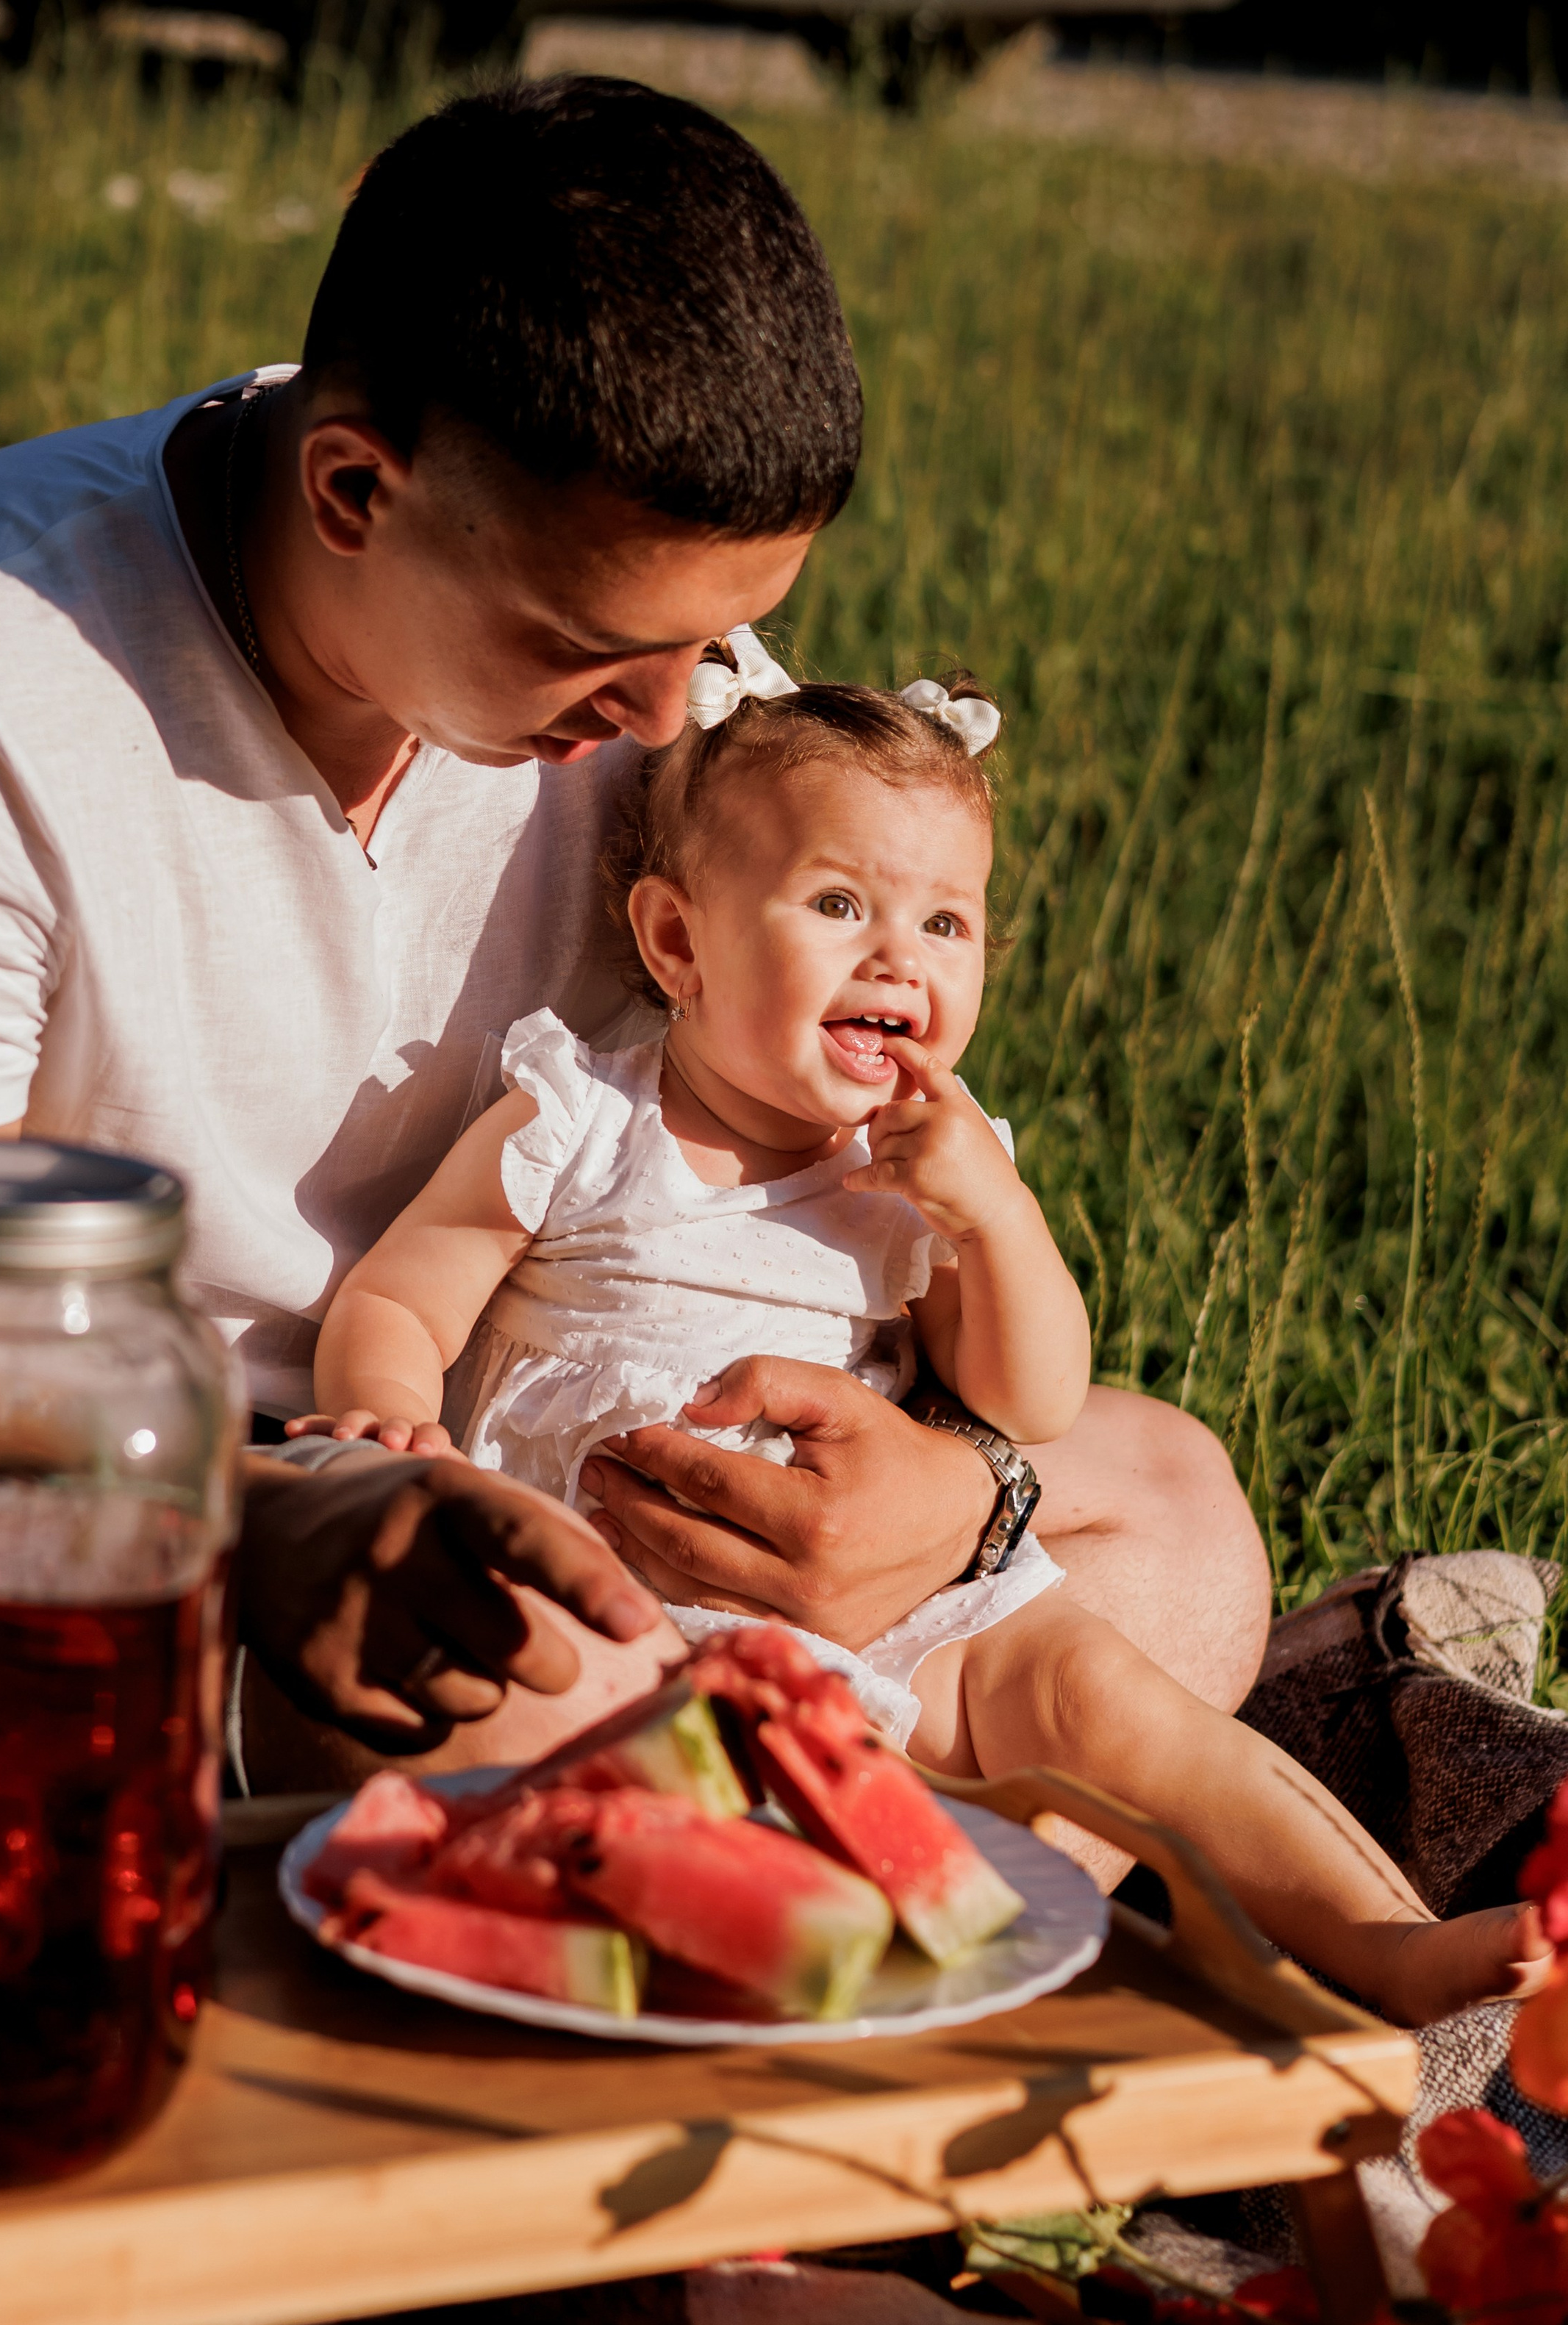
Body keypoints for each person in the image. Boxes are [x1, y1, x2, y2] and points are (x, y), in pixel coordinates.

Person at [0, 79, 1269, 1773]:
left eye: (734, 631)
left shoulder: (651, 691)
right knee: (570, 1694)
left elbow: (824, 1161)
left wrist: (959, 1490)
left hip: (567, 1424)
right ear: (355, 490)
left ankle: (800, 1883)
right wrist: (249, 1523)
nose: (679, 719)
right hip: (170, 1524)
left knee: (1178, 1520)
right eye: (598, 647)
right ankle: (905, 1890)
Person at [301, 651, 1547, 2024]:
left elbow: (1033, 1397)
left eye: (948, 923)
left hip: (905, 1608)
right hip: (626, 1599)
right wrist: (391, 1425)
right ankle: (864, 1984)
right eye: (839, 904)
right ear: (677, 944)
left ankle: (1385, 1936)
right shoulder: (585, 1123)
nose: (900, 955)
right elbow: (404, 1298)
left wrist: (994, 1219)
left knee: (1115, 1703)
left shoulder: (918, 1178)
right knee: (699, 1813)